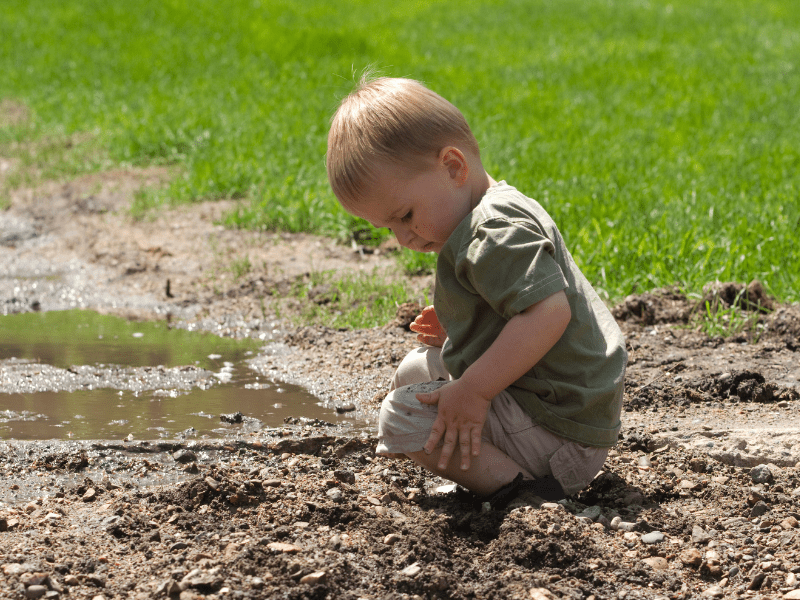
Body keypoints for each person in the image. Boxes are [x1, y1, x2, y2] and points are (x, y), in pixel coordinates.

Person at [326, 76, 627, 507]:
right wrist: (465, 325)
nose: (402, 238)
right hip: (557, 408)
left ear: (453, 166)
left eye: (406, 215)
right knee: (416, 371)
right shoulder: (490, 209)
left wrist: (474, 392)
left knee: (400, 414)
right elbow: (515, 307)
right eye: (388, 227)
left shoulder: (493, 231)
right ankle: (499, 470)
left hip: (561, 429)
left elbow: (548, 314)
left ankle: (524, 493)